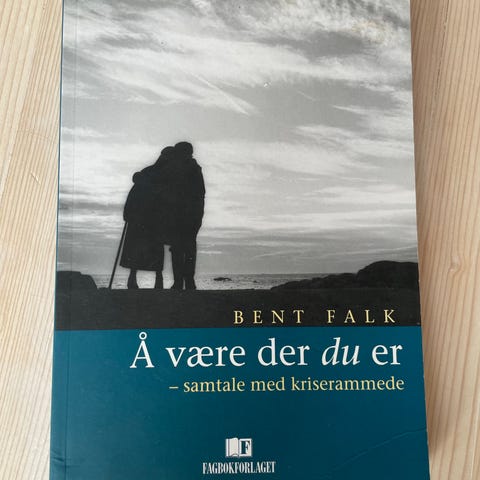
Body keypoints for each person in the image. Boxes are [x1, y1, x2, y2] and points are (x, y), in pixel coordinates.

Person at [120, 146, 176, 289]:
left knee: (152, 249)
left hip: (151, 218)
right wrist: (128, 212)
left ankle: (154, 279)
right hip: (146, 218)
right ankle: (141, 279)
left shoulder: (158, 173)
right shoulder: (158, 174)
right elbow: (135, 192)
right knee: (143, 248)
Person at [168, 141, 205, 290]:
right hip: (185, 215)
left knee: (182, 247)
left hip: (187, 215)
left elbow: (199, 194)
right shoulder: (187, 169)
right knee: (182, 247)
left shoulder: (190, 170)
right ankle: (183, 281)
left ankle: (185, 281)